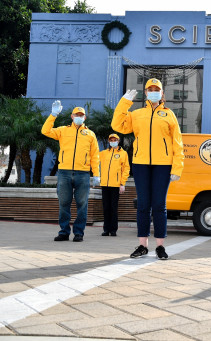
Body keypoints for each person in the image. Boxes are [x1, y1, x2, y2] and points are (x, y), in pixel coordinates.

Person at [112, 78, 184, 260]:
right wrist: (124, 102)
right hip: (141, 163)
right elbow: (117, 125)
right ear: (145, 93)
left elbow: (178, 143)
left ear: (162, 93)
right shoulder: (136, 114)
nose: (153, 91)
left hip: (163, 165)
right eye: (150, 89)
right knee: (143, 205)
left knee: (159, 205)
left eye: (156, 89)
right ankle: (142, 245)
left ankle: (160, 246)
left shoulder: (169, 115)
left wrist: (177, 167)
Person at [41, 102, 100, 242]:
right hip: (64, 172)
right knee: (64, 203)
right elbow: (45, 130)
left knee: (82, 204)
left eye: (81, 115)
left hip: (83, 174)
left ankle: (79, 233)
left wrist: (96, 174)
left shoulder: (90, 134)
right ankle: (64, 232)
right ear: (72, 116)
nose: (79, 117)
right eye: (76, 115)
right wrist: (53, 115)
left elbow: (95, 155)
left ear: (85, 118)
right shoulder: (63, 130)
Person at [99, 133, 130, 237]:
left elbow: (126, 169)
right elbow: (95, 161)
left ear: (118, 140)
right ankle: (106, 229)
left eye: (115, 140)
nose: (113, 141)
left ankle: (113, 230)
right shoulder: (103, 153)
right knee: (106, 208)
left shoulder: (123, 154)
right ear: (109, 141)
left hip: (116, 185)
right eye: (111, 140)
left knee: (113, 208)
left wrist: (122, 183)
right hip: (105, 184)